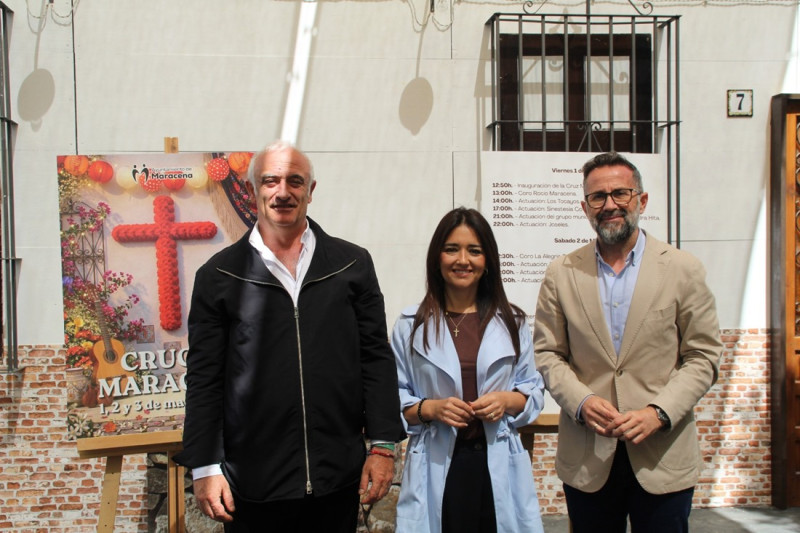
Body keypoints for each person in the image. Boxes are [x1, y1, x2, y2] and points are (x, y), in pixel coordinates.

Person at [173, 140, 405, 532]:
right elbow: (205, 377)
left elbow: (375, 358)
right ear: (252, 191)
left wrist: (383, 446)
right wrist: (206, 465)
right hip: (252, 484)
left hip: (337, 476)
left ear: (311, 191)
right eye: (271, 181)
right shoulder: (219, 276)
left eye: (295, 181)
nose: (283, 192)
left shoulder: (351, 265)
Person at [533, 151, 722, 533]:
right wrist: (581, 402)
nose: (610, 205)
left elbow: (703, 356)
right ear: (585, 208)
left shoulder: (683, 269)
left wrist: (660, 412)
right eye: (598, 197)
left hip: (662, 453)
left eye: (620, 193)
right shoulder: (561, 273)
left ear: (642, 200)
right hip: (589, 454)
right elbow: (549, 353)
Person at [391, 207, 546, 533]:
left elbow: (532, 390)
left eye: (474, 251)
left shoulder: (512, 323)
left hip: (495, 460)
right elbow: (393, 397)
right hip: (437, 462)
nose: (463, 260)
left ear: (487, 260)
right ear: (437, 258)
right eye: (452, 249)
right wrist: (431, 408)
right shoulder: (411, 325)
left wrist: (506, 400)